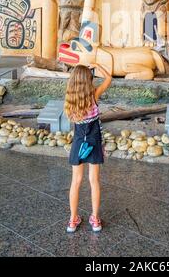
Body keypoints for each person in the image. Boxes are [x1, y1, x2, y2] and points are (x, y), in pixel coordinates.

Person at [64, 63, 112, 233]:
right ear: (88, 80)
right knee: (94, 181)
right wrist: (98, 65)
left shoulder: (70, 101)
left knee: (75, 182)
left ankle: (72, 220)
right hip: (93, 142)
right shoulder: (94, 96)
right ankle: (95, 219)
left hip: (78, 143)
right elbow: (109, 78)